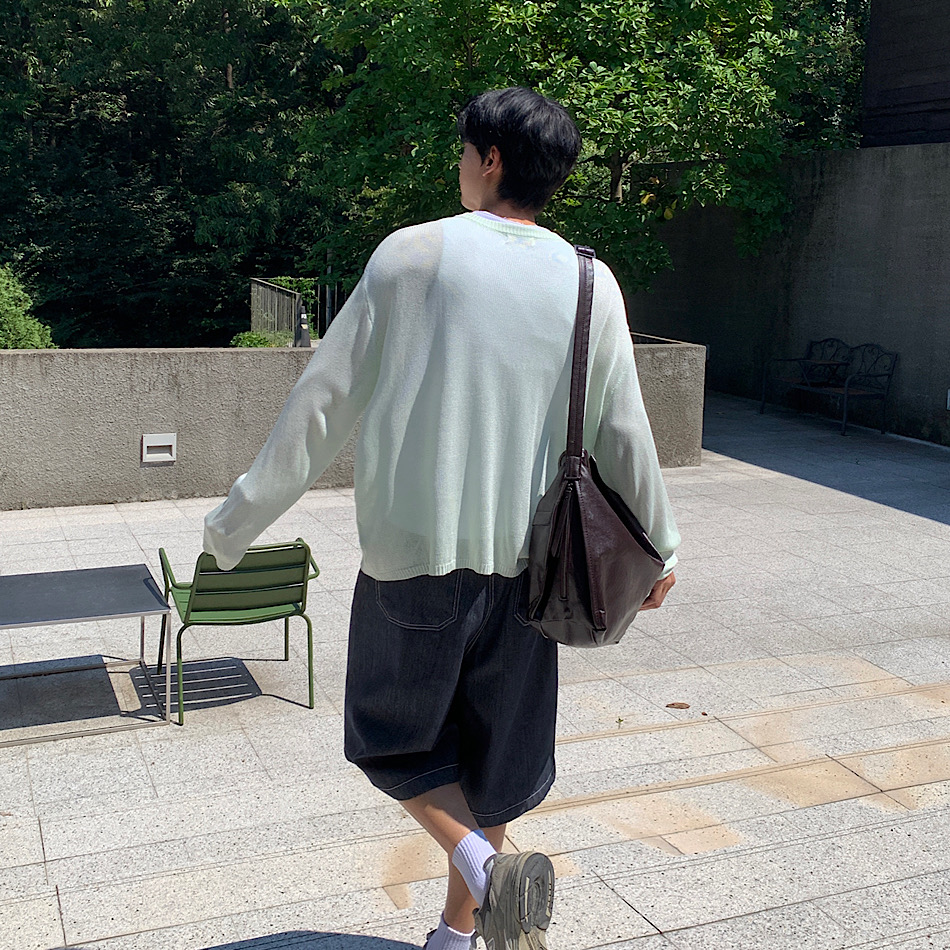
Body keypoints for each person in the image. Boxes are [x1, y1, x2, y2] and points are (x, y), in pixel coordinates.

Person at [204, 86, 680, 950]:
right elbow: (624, 428)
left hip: (414, 562)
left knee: (388, 742)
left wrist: (236, 522)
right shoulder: (589, 281)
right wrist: (663, 545)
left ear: (491, 159)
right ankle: (458, 937)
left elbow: (322, 405)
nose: (460, 166)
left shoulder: (413, 257)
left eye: (465, 152)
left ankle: (486, 876)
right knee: (494, 767)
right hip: (534, 571)